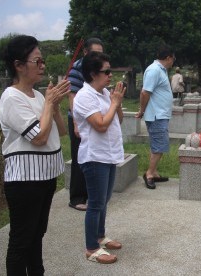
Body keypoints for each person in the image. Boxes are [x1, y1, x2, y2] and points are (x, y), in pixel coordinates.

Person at [0, 35, 71, 275]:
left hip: (45, 176)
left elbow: (60, 131)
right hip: (25, 180)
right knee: (21, 239)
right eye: (37, 61)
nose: (43, 66)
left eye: (42, 61)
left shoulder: (39, 96)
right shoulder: (11, 97)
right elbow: (39, 138)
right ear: (19, 65)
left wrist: (55, 105)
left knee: (37, 234)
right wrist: (49, 105)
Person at [73, 51, 125, 264]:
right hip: (94, 157)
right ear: (93, 74)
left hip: (108, 154)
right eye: (106, 71)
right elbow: (101, 125)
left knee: (104, 201)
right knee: (95, 203)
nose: (110, 75)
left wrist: (117, 102)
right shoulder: (83, 97)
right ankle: (91, 247)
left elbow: (117, 120)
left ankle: (100, 236)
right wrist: (114, 103)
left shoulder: (104, 93)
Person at [67, 38, 104, 211]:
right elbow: (72, 96)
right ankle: (76, 197)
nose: (97, 56)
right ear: (85, 52)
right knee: (79, 157)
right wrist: (76, 123)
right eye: (94, 52)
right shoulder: (77, 68)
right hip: (79, 119)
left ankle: (90, 194)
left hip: (94, 117)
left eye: (100, 53)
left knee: (92, 156)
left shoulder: (98, 69)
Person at [136, 45, 175, 189]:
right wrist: (142, 110)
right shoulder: (154, 70)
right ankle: (150, 174)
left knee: (158, 145)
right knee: (160, 146)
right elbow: (145, 93)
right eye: (173, 58)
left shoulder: (160, 70)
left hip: (160, 114)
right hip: (156, 115)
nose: (173, 62)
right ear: (168, 57)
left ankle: (154, 172)